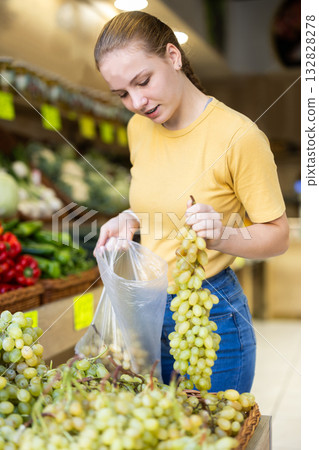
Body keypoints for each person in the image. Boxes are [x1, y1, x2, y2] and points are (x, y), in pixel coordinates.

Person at [93, 11, 289, 393]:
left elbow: (278, 236)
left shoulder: (238, 135)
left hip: (211, 314)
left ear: (173, 56)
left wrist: (221, 238)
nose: (136, 102)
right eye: (122, 94)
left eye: (143, 81)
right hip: (149, 310)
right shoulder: (139, 128)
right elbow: (165, 196)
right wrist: (131, 218)